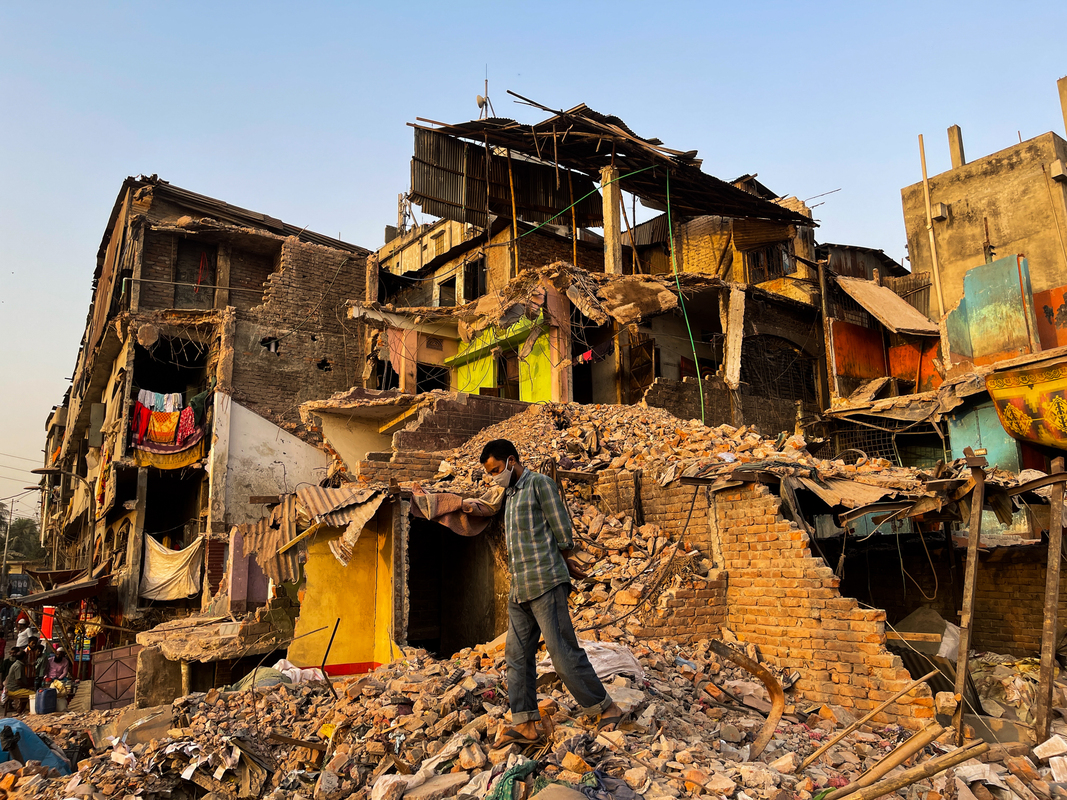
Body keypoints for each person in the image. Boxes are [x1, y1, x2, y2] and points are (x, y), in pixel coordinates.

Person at [474, 439, 622, 747]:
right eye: (490, 473)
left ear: (512, 461)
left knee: (562, 653)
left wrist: (566, 562)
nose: (494, 477)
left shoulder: (539, 484)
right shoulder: (510, 495)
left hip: (545, 581)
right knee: (516, 656)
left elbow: (561, 528)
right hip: (521, 588)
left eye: (497, 470)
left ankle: (607, 707)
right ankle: (526, 723)